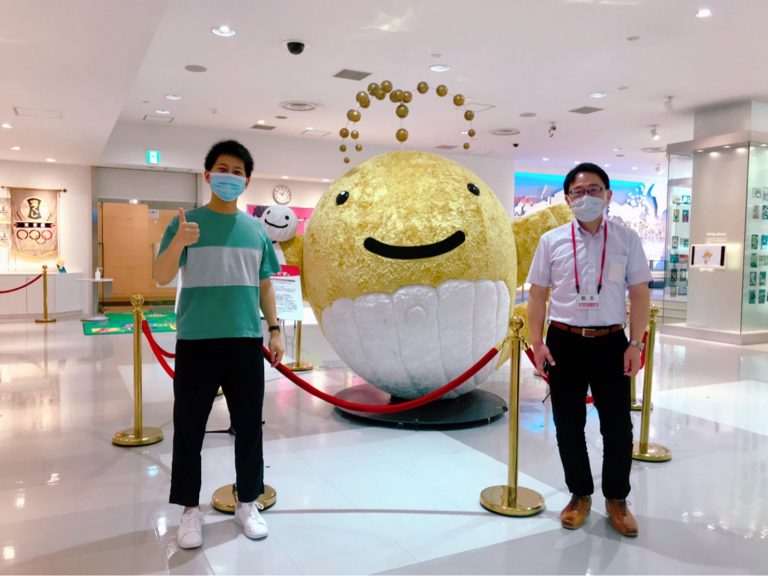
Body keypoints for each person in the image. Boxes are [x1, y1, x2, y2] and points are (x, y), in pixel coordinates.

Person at [155, 139, 284, 549]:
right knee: (189, 428)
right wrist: (179, 242)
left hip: (244, 341)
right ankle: (189, 511)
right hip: (197, 340)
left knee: (248, 427)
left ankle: (247, 502)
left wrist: (275, 329)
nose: (230, 177)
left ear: (247, 181)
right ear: (208, 175)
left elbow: (265, 284)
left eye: (237, 172)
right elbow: (160, 275)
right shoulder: (186, 223)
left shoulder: (256, 230)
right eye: (222, 170)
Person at [526, 162, 651, 537]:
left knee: (618, 428)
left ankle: (617, 499)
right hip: (564, 341)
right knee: (568, 425)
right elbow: (537, 294)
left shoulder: (627, 239)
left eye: (594, 190)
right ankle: (579, 494)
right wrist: (537, 342)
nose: (586, 197)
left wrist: (635, 343)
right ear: (567, 199)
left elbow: (639, 294)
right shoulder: (551, 241)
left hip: (612, 342)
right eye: (578, 192)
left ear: (608, 195)